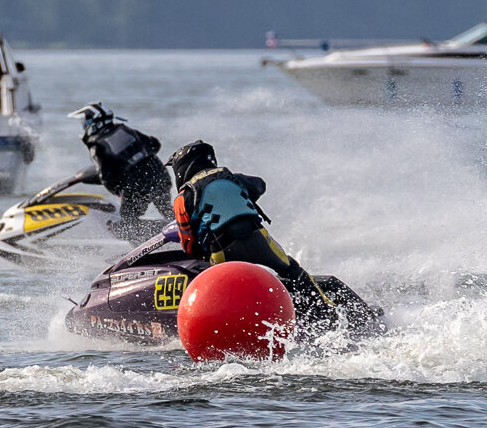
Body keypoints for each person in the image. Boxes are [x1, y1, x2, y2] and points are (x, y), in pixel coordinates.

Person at [165, 140, 342, 330]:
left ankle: (234, 327)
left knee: (224, 290)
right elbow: (260, 185)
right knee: (292, 271)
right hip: (259, 239)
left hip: (222, 251)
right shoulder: (232, 177)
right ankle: (329, 314)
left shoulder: (183, 197)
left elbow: (189, 245)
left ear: (182, 167)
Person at [69, 103, 174, 240]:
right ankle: (181, 230)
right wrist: (137, 156)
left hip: (137, 184)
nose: (84, 126)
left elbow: (105, 176)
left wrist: (117, 189)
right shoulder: (124, 129)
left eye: (85, 123)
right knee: (167, 209)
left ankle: (159, 238)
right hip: (159, 174)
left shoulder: (97, 143)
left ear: (95, 123)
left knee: (127, 222)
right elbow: (154, 144)